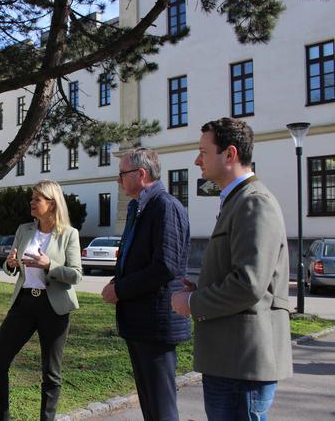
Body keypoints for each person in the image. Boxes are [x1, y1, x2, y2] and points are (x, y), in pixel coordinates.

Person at [171, 117, 293, 420]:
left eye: (204, 152)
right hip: (230, 360)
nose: (197, 160)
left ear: (230, 154)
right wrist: (199, 289)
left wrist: (192, 303)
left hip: (243, 363)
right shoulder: (237, 201)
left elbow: (249, 283)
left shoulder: (254, 203)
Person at [101, 147, 191, 421]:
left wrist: (120, 289)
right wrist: (118, 279)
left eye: (122, 174)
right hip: (139, 322)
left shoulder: (165, 206)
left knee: (162, 408)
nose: (119, 180)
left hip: (157, 323)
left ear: (141, 174)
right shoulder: (138, 207)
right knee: (150, 405)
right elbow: (133, 258)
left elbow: (165, 266)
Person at [0, 180, 82, 421]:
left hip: (54, 307)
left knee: (51, 373)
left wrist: (49, 264)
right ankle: (2, 416)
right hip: (24, 303)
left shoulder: (69, 234)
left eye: (37, 199)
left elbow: (76, 275)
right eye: (32, 198)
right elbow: (14, 266)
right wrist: (9, 264)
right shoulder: (24, 230)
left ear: (51, 204)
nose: (31, 202)